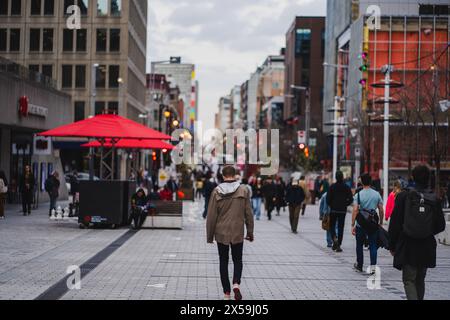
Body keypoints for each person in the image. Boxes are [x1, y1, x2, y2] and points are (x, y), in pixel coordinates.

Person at [389, 165, 446, 300]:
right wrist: (426, 230)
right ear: (428, 178)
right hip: (426, 245)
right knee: (420, 279)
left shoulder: (404, 196)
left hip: (408, 244)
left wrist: (392, 245)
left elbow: (395, 223)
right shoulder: (433, 198)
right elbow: (441, 225)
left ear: (412, 177)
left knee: (409, 280)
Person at [206, 166, 254, 301]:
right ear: (235, 175)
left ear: (223, 176)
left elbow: (211, 216)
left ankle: (226, 293)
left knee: (223, 261)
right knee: (238, 260)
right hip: (237, 232)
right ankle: (236, 284)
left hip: (221, 233)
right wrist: (250, 232)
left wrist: (210, 236)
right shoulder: (243, 190)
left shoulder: (216, 191)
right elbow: (249, 214)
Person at [351, 173, 384, 274]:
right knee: (373, 245)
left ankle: (359, 265)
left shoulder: (358, 195)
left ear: (361, 182)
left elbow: (355, 210)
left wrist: (353, 224)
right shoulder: (376, 194)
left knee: (359, 245)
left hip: (361, 224)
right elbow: (381, 210)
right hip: (373, 223)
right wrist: (381, 222)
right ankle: (373, 267)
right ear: (370, 182)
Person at [326, 171, 354, 252]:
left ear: (336, 177)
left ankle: (334, 238)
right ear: (342, 177)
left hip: (334, 210)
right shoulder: (346, 187)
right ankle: (339, 243)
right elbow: (351, 199)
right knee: (341, 227)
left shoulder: (332, 187)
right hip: (342, 210)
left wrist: (331, 205)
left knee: (332, 226)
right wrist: (345, 204)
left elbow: (328, 199)